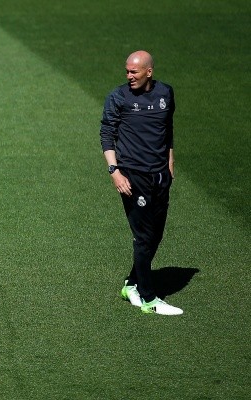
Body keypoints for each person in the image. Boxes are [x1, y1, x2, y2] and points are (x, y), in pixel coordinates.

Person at [99, 50, 183, 315]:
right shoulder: (118, 97)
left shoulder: (165, 94)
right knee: (144, 236)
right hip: (133, 177)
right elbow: (106, 134)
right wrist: (115, 172)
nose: (129, 76)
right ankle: (148, 298)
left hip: (160, 175)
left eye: (134, 71)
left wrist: (169, 159)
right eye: (127, 71)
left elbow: (167, 128)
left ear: (149, 72)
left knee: (156, 234)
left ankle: (132, 284)